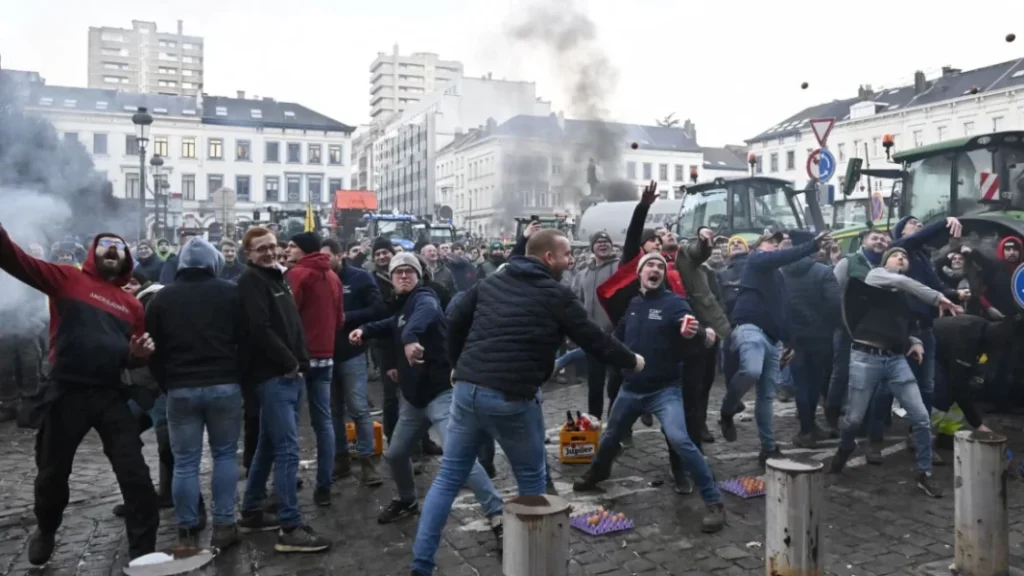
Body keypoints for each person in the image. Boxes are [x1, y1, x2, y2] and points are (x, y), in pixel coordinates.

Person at [409, 229, 643, 576]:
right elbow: (594, 339)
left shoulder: (491, 282)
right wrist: (633, 361)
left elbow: (455, 319)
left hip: (467, 389)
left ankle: (421, 566)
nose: (570, 261)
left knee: (447, 479)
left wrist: (460, 365)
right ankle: (537, 564)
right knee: (532, 480)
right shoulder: (556, 293)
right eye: (566, 255)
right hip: (510, 396)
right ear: (549, 257)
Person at [0, 229, 159, 565]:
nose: (112, 250)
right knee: (52, 474)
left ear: (126, 259)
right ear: (93, 252)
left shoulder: (132, 305)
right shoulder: (66, 279)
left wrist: (137, 355)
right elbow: (15, 259)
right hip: (66, 392)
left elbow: (130, 356)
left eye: (119, 247)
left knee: (136, 476)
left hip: (110, 394)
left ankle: (143, 554)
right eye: (106, 245)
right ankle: (47, 527)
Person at [350, 253, 504, 548]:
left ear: (419, 276)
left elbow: (422, 317)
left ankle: (497, 514)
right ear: (392, 279)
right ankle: (407, 499)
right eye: (399, 272)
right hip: (415, 400)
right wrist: (365, 330)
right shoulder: (403, 306)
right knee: (395, 454)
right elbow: (392, 323)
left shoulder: (425, 297)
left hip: (441, 394)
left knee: (457, 458)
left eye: (410, 271)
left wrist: (410, 338)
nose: (404, 276)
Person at [573, 252, 726, 532]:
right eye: (649, 265)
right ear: (640, 274)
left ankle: (714, 501)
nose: (655, 269)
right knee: (610, 436)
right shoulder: (633, 304)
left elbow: (692, 327)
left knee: (681, 440)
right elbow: (613, 340)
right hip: (631, 389)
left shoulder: (674, 303)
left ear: (663, 275)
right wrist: (573, 355)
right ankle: (598, 472)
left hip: (664, 390)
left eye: (660, 266)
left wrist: (696, 332)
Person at [830, 246, 960, 497]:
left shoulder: (903, 297)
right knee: (854, 419)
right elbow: (900, 280)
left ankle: (925, 473)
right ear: (884, 261)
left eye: (905, 256)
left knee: (921, 417)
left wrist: (916, 342)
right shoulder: (875, 276)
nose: (902, 258)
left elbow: (905, 326)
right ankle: (845, 448)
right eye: (896, 255)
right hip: (865, 357)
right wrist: (938, 297)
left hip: (895, 360)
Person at [236, 227, 330, 553]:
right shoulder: (251, 281)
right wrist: (290, 361)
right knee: (288, 450)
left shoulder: (277, 277)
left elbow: (290, 323)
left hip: (289, 374)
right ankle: (290, 526)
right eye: (261, 248)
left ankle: (251, 510)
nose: (270, 252)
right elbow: (259, 329)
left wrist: (299, 360)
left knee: (266, 444)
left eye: (273, 246)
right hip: (273, 376)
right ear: (248, 253)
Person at [146, 238, 243, 550]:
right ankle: (225, 524)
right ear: (213, 262)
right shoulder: (231, 292)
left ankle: (187, 529)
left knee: (185, 461)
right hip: (225, 384)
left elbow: (152, 349)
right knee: (225, 455)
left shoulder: (162, 299)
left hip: (180, 388)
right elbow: (247, 339)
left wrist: (166, 382)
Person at [719, 230, 830, 466]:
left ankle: (768, 449)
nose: (778, 245)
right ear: (758, 247)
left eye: (781, 242)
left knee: (766, 397)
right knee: (751, 370)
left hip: (773, 338)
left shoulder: (778, 277)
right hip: (750, 326)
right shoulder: (755, 259)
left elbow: (784, 309)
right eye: (772, 242)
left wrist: (789, 342)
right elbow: (778, 258)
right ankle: (727, 410)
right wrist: (812, 245)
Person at [320, 238, 386, 485]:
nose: (324, 262)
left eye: (327, 257)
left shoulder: (360, 277)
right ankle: (341, 459)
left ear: (340, 255)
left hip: (352, 353)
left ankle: (368, 463)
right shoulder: (321, 278)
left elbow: (378, 309)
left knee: (358, 408)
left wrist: (347, 317)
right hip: (325, 354)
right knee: (332, 411)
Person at [285, 232, 343, 507]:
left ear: (304, 250)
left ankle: (287, 483)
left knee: (291, 423)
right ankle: (324, 485)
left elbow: (288, 315)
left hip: (301, 358)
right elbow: (340, 318)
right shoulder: (332, 276)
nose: (287, 250)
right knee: (324, 422)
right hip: (326, 356)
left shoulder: (298, 274)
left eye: (291, 246)